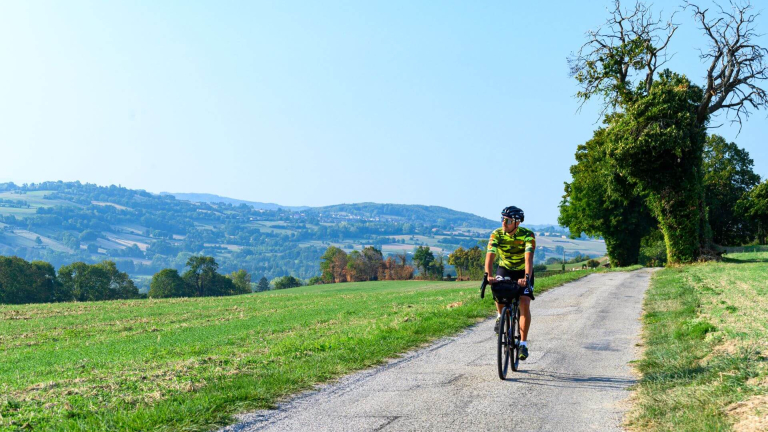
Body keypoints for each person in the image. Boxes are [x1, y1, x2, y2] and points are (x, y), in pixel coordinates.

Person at [485, 206, 535, 360]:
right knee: (498, 291)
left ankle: (523, 344)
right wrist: (489, 275)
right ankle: (500, 315)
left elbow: (528, 259)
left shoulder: (528, 235)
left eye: (507, 220)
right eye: (502, 219)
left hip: (522, 271)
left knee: (524, 302)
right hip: (505, 268)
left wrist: (526, 278)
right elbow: (490, 256)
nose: (503, 223)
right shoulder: (496, 234)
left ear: (517, 222)